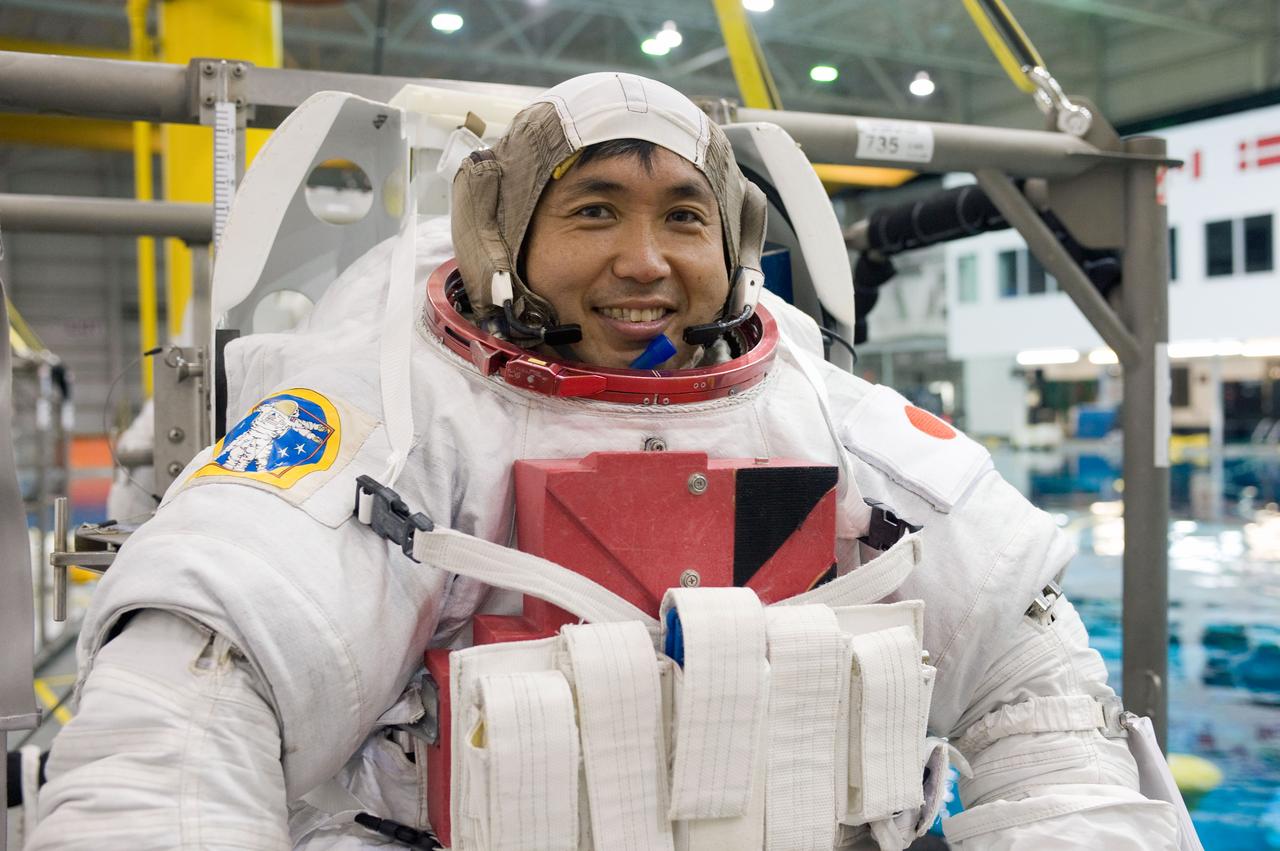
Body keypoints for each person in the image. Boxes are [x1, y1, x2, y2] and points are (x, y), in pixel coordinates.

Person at [29, 73, 1181, 850]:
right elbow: (173, 736)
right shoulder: (395, 423)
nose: (645, 258)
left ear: (730, 246)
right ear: (505, 237)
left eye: (684, 217)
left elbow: (1043, 713)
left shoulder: (837, 428)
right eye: (591, 211)